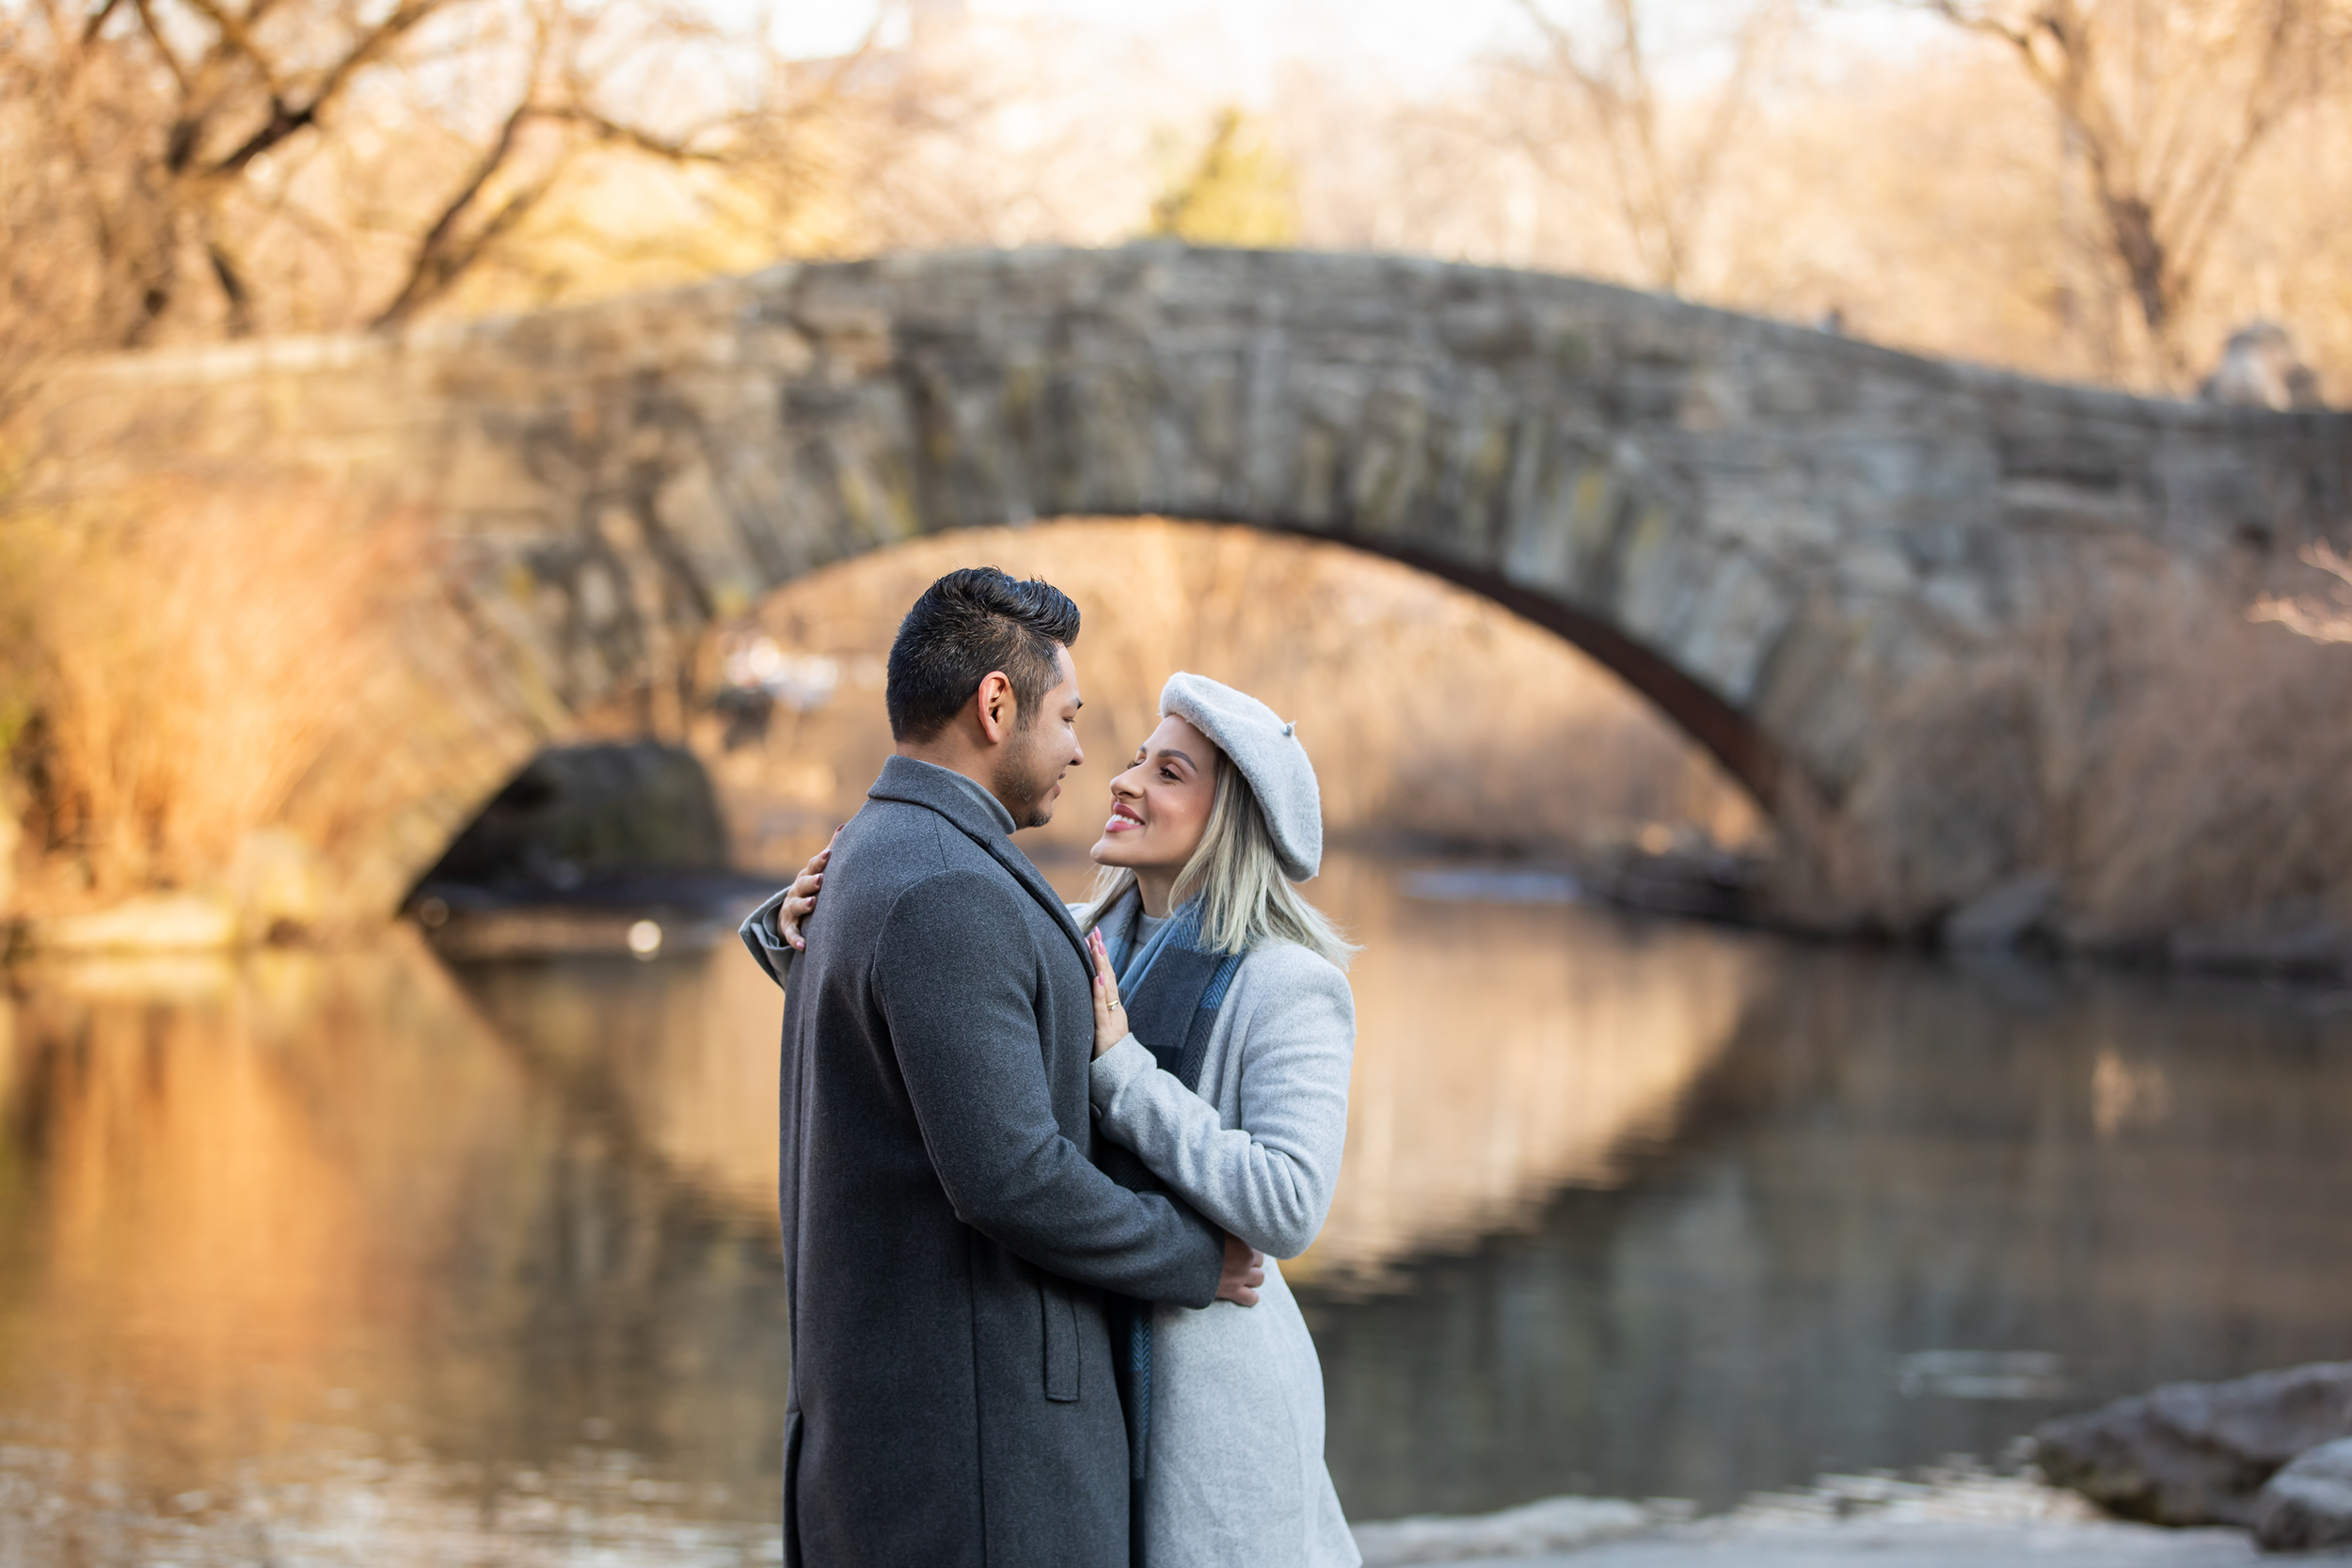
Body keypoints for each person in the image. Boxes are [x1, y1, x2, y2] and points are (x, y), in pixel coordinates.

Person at [766, 669, 1362, 1568]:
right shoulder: (1075, 933)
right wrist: (799, 928)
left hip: (1211, 1400)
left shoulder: (1289, 985)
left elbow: (1288, 1204)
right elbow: (935, 1025)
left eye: (1169, 773)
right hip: (1083, 1386)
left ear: (1229, 820)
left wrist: (1124, 1073)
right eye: (1136, 760)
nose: (1122, 780)